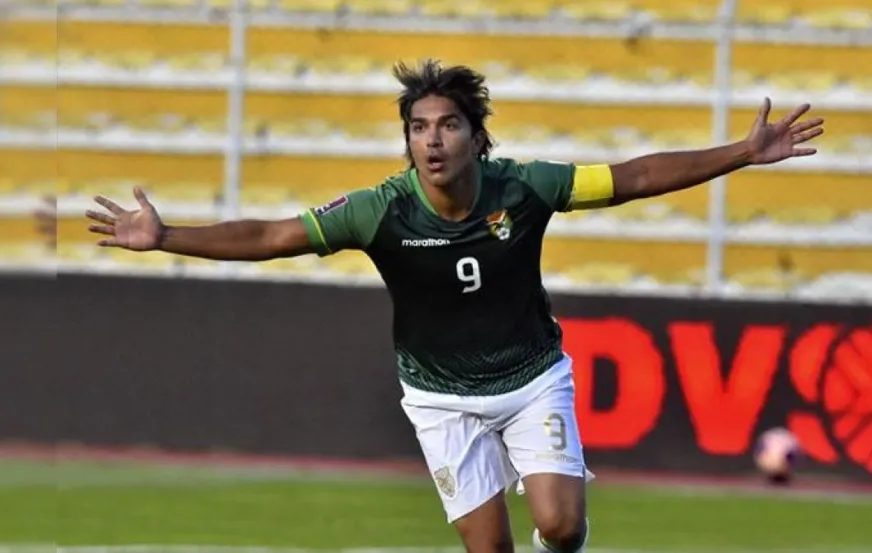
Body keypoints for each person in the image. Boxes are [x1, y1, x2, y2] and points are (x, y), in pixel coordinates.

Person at [85, 59, 824, 553]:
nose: (432, 141)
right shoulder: (380, 209)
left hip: (531, 377)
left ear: (476, 136)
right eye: (418, 128)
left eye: (447, 125)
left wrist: (740, 152)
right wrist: (168, 236)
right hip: (440, 399)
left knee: (562, 528)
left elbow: (631, 177)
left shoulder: (526, 187)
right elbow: (274, 235)